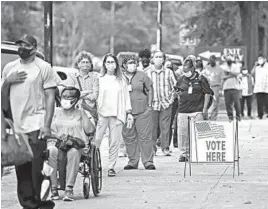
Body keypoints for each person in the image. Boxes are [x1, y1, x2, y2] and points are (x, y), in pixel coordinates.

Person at [1, 35, 57, 209]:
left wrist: (47, 125)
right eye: (19, 44)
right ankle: (28, 204)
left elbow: (50, 97)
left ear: (34, 47)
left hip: (36, 123)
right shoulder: (9, 68)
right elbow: (3, 100)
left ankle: (39, 200)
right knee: (22, 168)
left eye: (25, 45)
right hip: (17, 126)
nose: (21, 48)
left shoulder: (43, 68)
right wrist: (7, 82)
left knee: (36, 166)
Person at [47, 86, 95, 201]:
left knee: (72, 153)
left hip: (74, 144)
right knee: (51, 151)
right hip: (56, 142)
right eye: (64, 96)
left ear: (76, 99)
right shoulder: (54, 112)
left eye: (70, 97)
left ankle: (69, 189)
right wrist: (57, 136)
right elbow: (46, 129)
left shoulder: (81, 113)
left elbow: (90, 131)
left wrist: (83, 113)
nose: (66, 99)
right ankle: (54, 188)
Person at [94, 53, 133, 177]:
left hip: (117, 114)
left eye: (112, 62)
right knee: (97, 140)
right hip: (102, 114)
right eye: (108, 62)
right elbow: (95, 96)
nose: (110, 64)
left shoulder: (121, 80)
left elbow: (127, 97)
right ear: (104, 64)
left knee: (114, 142)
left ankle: (111, 166)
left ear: (116, 64)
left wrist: (129, 112)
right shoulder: (99, 79)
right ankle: (93, 163)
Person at [175, 55, 213, 162]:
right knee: (183, 134)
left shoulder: (201, 78)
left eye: (188, 70)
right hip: (183, 110)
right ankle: (184, 154)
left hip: (198, 110)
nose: (186, 72)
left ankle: (200, 152)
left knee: (201, 132)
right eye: (184, 70)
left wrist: (205, 109)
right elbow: (176, 90)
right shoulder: (181, 79)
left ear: (193, 68)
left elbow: (207, 94)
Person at [122, 56, 156, 170]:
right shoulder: (120, 77)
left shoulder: (142, 75)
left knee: (145, 137)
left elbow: (150, 89)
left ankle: (148, 161)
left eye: (134, 63)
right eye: (130, 63)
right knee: (129, 137)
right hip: (126, 113)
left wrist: (150, 105)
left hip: (143, 111)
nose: (133, 65)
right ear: (124, 65)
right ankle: (133, 161)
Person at [145, 50, 177, 156]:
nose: (158, 59)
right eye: (156, 57)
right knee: (152, 128)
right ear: (152, 59)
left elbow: (175, 87)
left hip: (165, 104)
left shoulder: (169, 72)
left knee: (165, 127)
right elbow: (143, 88)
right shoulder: (147, 72)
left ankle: (165, 148)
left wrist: (171, 99)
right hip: (152, 104)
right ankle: (152, 149)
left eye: (160, 57)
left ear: (163, 59)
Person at [73, 51, 99, 124]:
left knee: (91, 132)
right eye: (83, 62)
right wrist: (88, 92)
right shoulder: (73, 77)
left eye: (87, 62)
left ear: (90, 64)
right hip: (77, 109)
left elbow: (94, 96)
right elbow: (72, 94)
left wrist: (80, 95)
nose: (85, 64)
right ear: (78, 64)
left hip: (91, 110)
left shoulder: (95, 77)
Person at [202, 55, 224, 120]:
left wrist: (221, 89)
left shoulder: (219, 69)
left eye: (212, 60)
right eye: (210, 60)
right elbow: (203, 76)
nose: (211, 62)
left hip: (216, 87)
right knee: (207, 102)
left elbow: (222, 79)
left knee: (215, 103)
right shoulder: (206, 68)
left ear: (215, 60)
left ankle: (213, 118)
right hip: (207, 87)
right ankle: (206, 116)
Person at [221, 56, 242, 121]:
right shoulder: (223, 67)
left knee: (236, 103)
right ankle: (230, 117)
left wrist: (228, 73)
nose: (228, 60)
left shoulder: (236, 66)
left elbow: (237, 74)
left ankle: (238, 116)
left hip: (235, 87)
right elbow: (222, 77)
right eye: (227, 59)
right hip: (226, 87)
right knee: (228, 103)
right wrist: (231, 74)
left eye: (229, 59)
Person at [164, 59, 178, 148]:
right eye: (167, 67)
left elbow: (176, 89)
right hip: (163, 102)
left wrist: (172, 99)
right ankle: (163, 142)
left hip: (173, 102)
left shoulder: (175, 77)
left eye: (170, 67)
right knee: (165, 123)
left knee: (170, 122)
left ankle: (169, 143)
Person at [251, 55, 268, 119]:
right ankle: (260, 115)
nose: (260, 60)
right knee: (259, 102)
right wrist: (255, 65)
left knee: (266, 102)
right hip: (258, 88)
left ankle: (266, 113)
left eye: (261, 59)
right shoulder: (257, 68)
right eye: (259, 59)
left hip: (266, 88)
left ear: (265, 59)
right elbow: (252, 73)